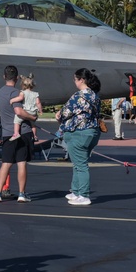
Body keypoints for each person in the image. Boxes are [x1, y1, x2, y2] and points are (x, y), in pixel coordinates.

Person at [56, 68, 102, 206]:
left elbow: (65, 112)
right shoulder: (95, 96)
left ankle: (84, 195)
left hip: (79, 133)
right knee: (78, 163)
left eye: (75, 79)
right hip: (92, 132)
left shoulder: (78, 96)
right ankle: (76, 191)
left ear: (81, 80)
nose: (74, 82)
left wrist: (58, 114)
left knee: (80, 165)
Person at [0, 65, 38, 203]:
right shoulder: (16, 93)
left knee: (6, 163)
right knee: (21, 163)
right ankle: (22, 194)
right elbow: (18, 111)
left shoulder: (0, 92)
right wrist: (32, 118)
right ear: (17, 78)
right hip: (22, 131)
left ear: (4, 77)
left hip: (7, 132)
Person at [9, 75, 41, 141]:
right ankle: (35, 136)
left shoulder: (22, 92)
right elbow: (38, 103)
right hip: (33, 112)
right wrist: (40, 110)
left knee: (17, 120)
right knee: (33, 125)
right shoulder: (35, 94)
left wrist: (12, 100)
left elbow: (20, 98)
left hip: (26, 111)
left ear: (23, 85)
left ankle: (16, 133)